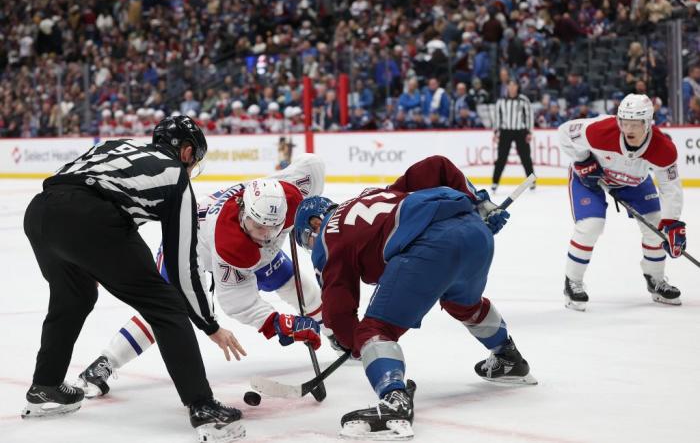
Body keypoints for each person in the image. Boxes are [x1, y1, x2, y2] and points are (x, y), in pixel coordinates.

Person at [22, 116, 246, 442]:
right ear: (185, 152)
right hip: (89, 217)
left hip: (39, 212)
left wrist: (86, 251)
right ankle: (203, 407)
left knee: (74, 297)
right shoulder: (176, 179)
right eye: (194, 159)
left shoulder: (117, 146)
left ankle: (45, 387)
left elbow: (70, 180)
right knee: (166, 304)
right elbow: (182, 266)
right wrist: (209, 324)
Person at [293, 156, 537, 440]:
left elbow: (338, 309)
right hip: (474, 229)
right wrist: (479, 201)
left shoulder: (326, 237)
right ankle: (508, 357)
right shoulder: (373, 194)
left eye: (306, 239)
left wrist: (354, 343)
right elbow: (437, 165)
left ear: (315, 221)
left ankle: (394, 401)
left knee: (374, 331)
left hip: (431, 244)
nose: (312, 247)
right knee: (463, 304)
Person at [75, 155, 331, 398]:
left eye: (273, 227)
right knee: (165, 311)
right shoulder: (231, 243)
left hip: (246, 246)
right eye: (259, 226)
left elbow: (313, 165)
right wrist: (275, 322)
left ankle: (337, 333)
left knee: (296, 285)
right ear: (244, 212)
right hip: (187, 249)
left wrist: (308, 208)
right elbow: (237, 302)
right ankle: (104, 363)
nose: (266, 235)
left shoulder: (287, 197)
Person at [559, 94, 686, 311]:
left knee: (656, 226)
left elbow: (670, 187)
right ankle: (572, 282)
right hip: (592, 178)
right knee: (591, 225)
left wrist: (672, 222)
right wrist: (583, 161)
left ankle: (655, 280)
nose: (628, 129)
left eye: (635, 124)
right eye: (624, 122)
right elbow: (565, 132)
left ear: (647, 123)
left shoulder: (663, 148)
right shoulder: (599, 130)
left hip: (633, 182)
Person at [492, 80, 535, 193]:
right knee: (501, 158)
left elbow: (529, 115)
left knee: (526, 157)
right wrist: (496, 132)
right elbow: (497, 117)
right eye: (509, 85)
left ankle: (531, 181)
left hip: (520, 131)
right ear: (507, 87)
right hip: (505, 131)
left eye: (514, 85)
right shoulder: (501, 101)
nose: (511, 87)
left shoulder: (523, 100)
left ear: (517, 87)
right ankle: (495, 182)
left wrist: (529, 132)